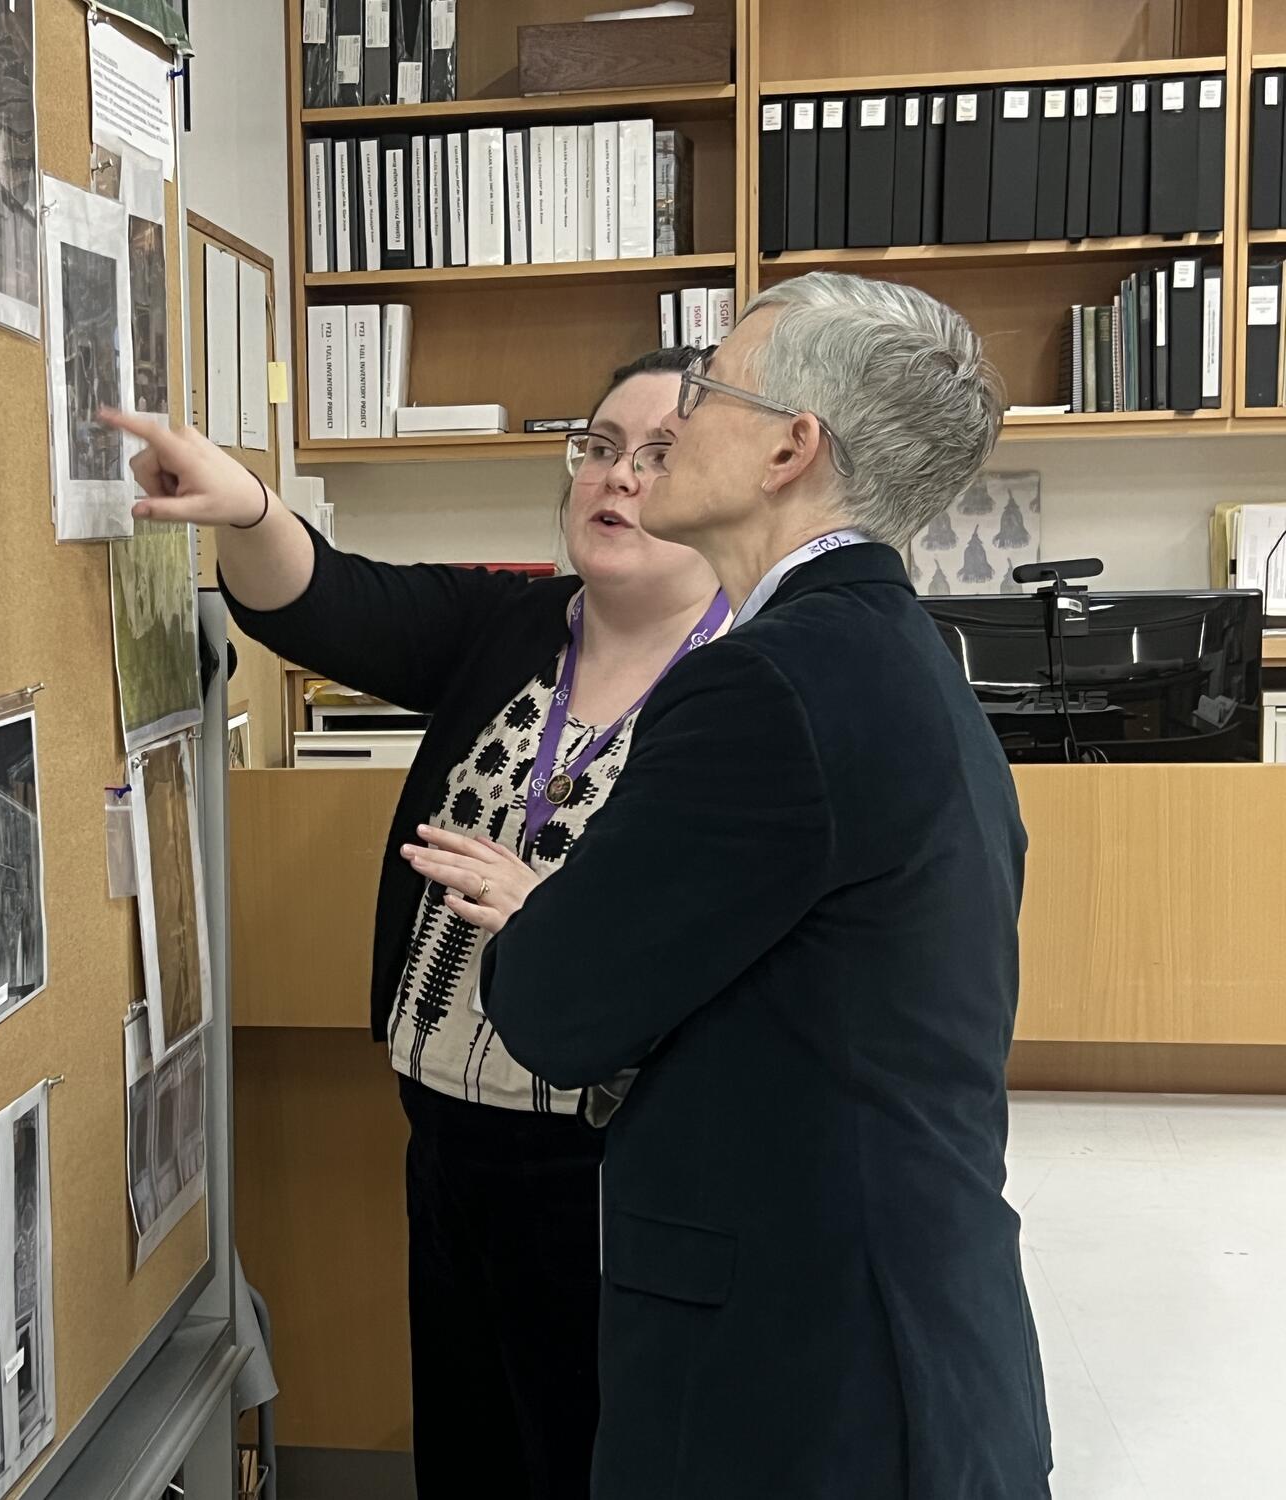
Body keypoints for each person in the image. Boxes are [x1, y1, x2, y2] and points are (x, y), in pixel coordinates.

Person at [404, 272, 1054, 1498]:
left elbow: (553, 1013)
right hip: (893, 1316)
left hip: (802, 1360)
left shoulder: (766, 683)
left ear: (787, 448)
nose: (670, 423)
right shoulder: (893, 654)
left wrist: (543, 911)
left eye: (704, 389)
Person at [100, 348, 726, 1499]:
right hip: (445, 1138)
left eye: (656, 457)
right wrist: (245, 506)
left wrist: (556, 914)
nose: (615, 480)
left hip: (613, 1169)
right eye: (597, 448)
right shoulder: (511, 625)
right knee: (470, 1452)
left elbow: (728, 935)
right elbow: (331, 602)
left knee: (589, 1458)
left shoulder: (743, 685)